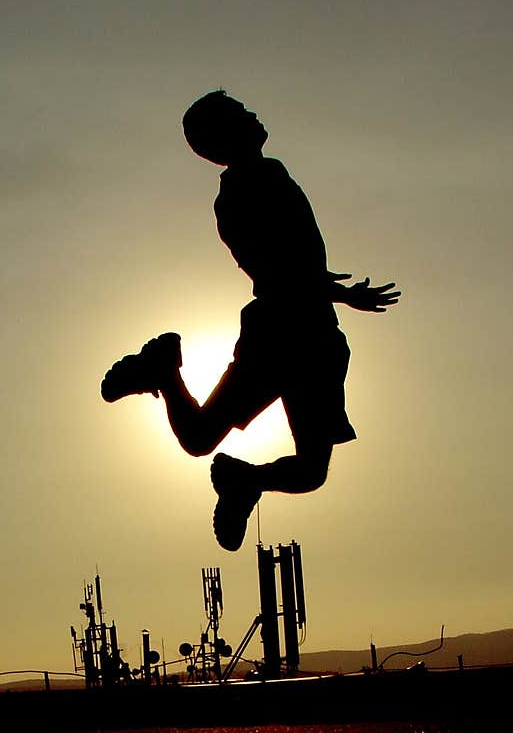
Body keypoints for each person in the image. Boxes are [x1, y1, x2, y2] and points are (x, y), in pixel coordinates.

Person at [101, 90, 400, 551]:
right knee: (205, 439)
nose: (255, 114)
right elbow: (282, 271)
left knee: (309, 471)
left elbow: (294, 265)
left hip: (311, 331)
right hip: (285, 333)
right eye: (241, 113)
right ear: (225, 135)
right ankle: (162, 371)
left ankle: (243, 478)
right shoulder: (245, 189)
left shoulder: (266, 175)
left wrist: (329, 290)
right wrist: (338, 291)